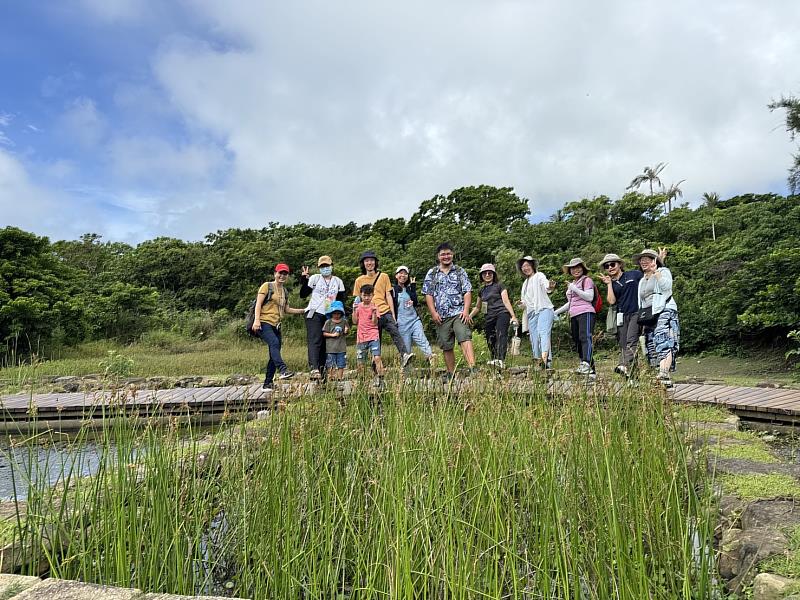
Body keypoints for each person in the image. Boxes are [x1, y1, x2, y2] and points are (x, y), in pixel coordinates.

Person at [422, 242, 476, 380]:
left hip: (458, 312)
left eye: (448, 253)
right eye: (443, 254)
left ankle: (473, 368)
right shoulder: (432, 273)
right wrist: (433, 313)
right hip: (441, 315)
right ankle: (451, 373)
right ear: (438, 256)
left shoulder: (459, 271)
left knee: (464, 336)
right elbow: (428, 294)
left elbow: (467, 291)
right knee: (446, 345)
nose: (446, 256)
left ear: (452, 255)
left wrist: (466, 310)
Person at [352, 250, 414, 369]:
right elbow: (357, 300)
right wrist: (359, 317)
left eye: (372, 260)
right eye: (366, 261)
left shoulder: (384, 276)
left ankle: (404, 354)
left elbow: (388, 295)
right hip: (370, 314)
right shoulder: (359, 280)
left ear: (375, 262)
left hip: (384, 310)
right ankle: (375, 368)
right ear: (363, 263)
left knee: (395, 332)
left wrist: (393, 313)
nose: (369, 263)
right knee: (376, 341)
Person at [250, 263, 305, 392]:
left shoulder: (284, 291)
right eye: (280, 273)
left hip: (276, 324)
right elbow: (258, 304)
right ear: (275, 273)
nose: (282, 276)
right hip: (264, 322)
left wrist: (303, 310)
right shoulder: (267, 286)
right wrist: (257, 320)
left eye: (285, 274)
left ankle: (267, 383)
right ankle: (283, 370)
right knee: (274, 343)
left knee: (273, 353)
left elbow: (286, 309)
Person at [634, 248, 679, 388]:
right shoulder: (642, 280)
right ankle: (664, 379)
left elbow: (667, 287)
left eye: (648, 258)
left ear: (655, 260)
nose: (644, 261)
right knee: (651, 346)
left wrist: (657, 272)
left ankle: (664, 372)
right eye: (642, 259)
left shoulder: (663, 271)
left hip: (664, 310)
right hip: (649, 315)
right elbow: (640, 301)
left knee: (664, 341)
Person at [299, 255, 346, 380]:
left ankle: (324, 373)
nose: (325, 268)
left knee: (327, 343)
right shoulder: (315, 278)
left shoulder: (338, 281)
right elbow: (303, 294)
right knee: (315, 340)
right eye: (322, 266)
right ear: (319, 268)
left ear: (332, 266)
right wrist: (304, 278)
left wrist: (343, 321)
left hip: (330, 315)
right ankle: (314, 368)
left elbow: (341, 302)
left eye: (327, 266)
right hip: (314, 312)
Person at [598, 253, 643, 378]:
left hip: (636, 312)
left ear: (620, 264)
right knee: (624, 344)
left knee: (631, 340)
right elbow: (611, 301)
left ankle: (623, 364)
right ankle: (634, 378)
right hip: (622, 316)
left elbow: (649, 278)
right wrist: (608, 284)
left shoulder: (633, 274)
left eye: (613, 264)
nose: (610, 267)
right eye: (607, 266)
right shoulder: (611, 283)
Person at [469, 263, 518, 368]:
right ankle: (494, 359)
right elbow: (478, 307)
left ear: (493, 274)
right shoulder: (481, 291)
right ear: (481, 275)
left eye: (490, 273)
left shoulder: (500, 286)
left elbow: (506, 300)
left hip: (502, 313)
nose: (487, 275)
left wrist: (513, 315)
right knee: (490, 337)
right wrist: (469, 316)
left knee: (501, 334)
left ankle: (501, 359)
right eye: (485, 273)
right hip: (489, 316)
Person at [554, 257, 597, 377]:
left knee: (585, 337)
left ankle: (586, 363)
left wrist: (574, 289)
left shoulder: (586, 280)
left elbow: (589, 297)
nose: (575, 270)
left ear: (583, 268)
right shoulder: (573, 283)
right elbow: (571, 302)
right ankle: (591, 371)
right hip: (574, 314)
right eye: (573, 268)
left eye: (578, 267)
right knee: (577, 340)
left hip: (586, 312)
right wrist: (556, 312)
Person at [517, 256, 556, 370]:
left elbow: (546, 286)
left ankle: (546, 361)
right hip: (531, 313)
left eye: (528, 265)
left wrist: (550, 286)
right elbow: (525, 301)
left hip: (544, 309)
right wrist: (521, 303)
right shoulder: (525, 283)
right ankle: (538, 362)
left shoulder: (539, 275)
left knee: (543, 333)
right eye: (523, 267)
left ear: (533, 266)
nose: (525, 268)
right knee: (534, 338)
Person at [392, 266, 436, 366]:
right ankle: (406, 372)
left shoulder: (409, 288)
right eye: (400, 273)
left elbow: (415, 302)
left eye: (405, 274)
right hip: (402, 323)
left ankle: (431, 360)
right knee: (406, 350)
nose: (403, 275)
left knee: (422, 340)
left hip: (414, 320)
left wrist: (413, 286)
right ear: (396, 275)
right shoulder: (393, 290)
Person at [352, 284, 385, 388]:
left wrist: (374, 313)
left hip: (373, 335)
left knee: (377, 358)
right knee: (361, 361)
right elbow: (354, 321)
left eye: (369, 295)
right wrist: (353, 310)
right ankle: (362, 382)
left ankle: (381, 380)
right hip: (361, 337)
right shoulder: (358, 306)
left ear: (372, 295)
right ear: (361, 295)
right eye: (364, 295)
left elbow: (375, 323)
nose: (366, 298)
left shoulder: (374, 306)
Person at [322, 300, 349, 381]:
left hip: (341, 348)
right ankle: (331, 377)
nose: (336, 315)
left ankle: (340, 377)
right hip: (331, 348)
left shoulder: (344, 322)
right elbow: (324, 333)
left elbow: (346, 332)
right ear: (331, 313)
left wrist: (346, 330)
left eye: (338, 313)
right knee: (330, 364)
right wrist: (332, 335)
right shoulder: (328, 322)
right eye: (334, 313)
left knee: (341, 364)